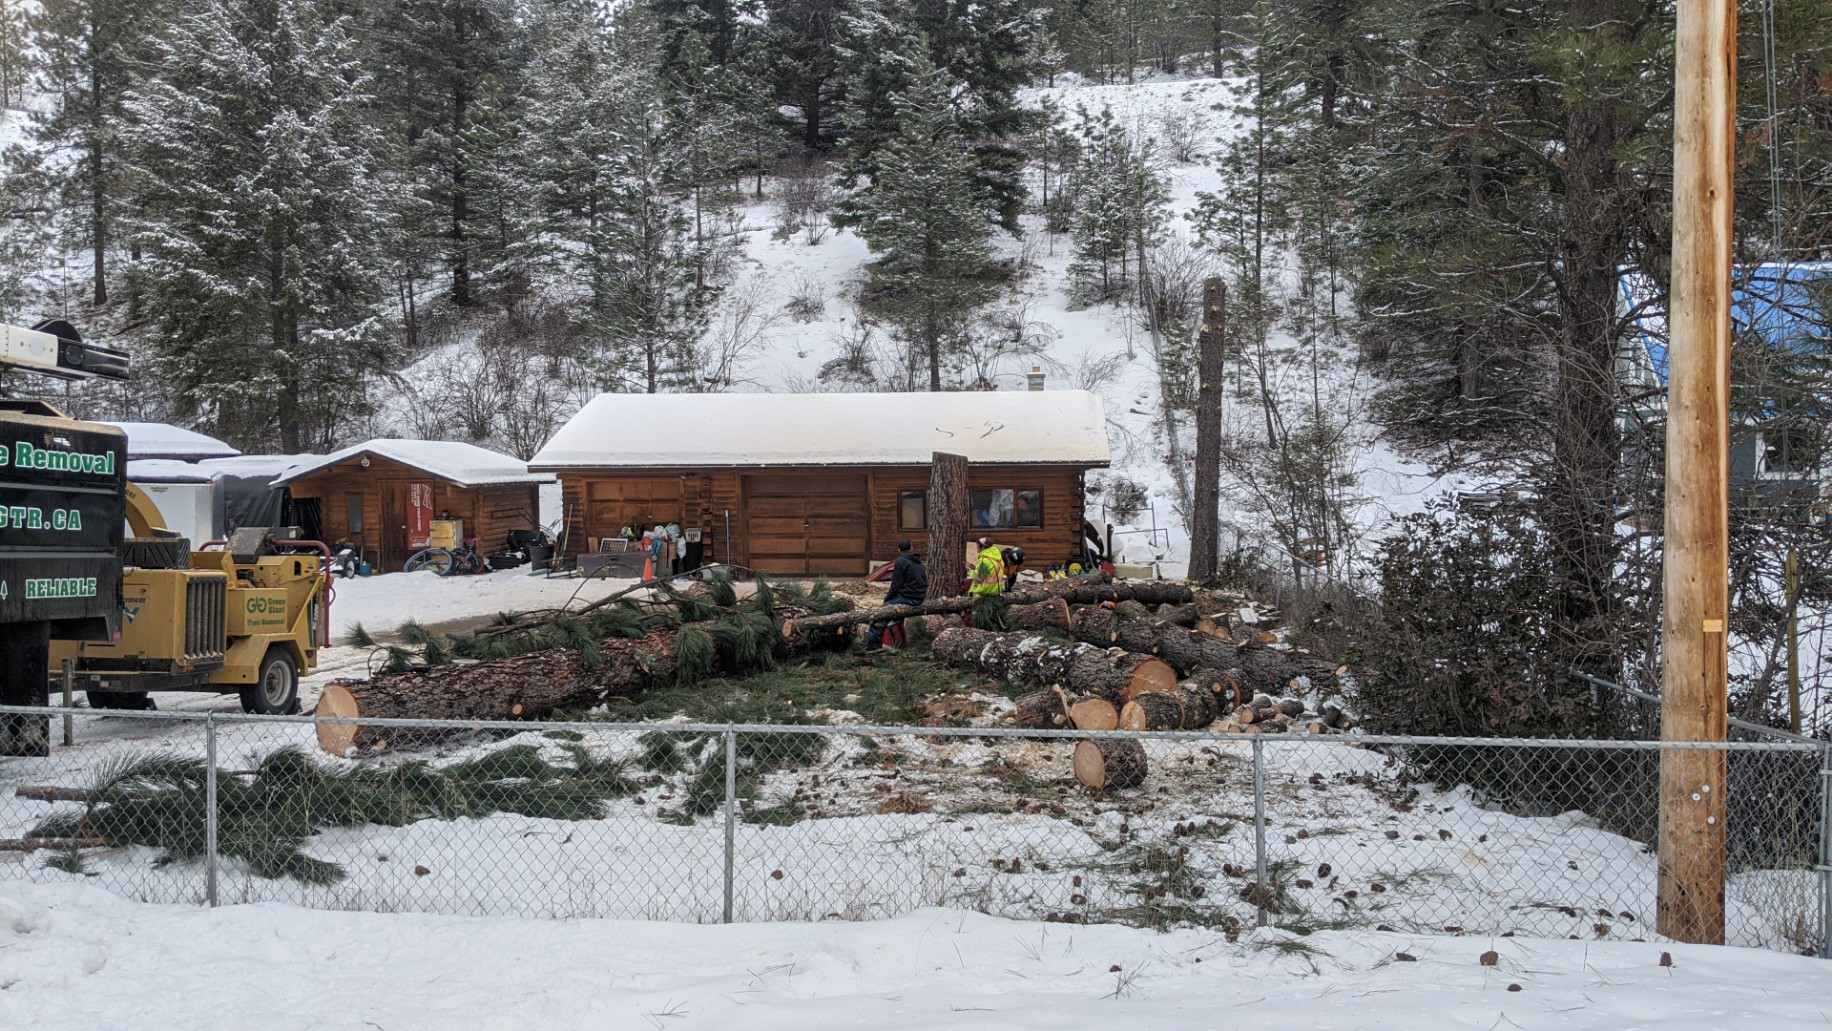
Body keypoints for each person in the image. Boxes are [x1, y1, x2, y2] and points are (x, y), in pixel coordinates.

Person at [866, 541, 927, 650]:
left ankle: (873, 648)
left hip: (907, 598)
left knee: (878, 618)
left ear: (898, 549)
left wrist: (887, 599)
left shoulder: (900, 561)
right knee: (896, 618)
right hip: (919, 598)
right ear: (911, 548)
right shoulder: (919, 562)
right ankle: (899, 644)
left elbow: (896, 584)